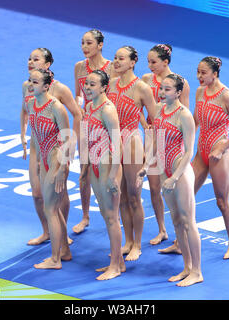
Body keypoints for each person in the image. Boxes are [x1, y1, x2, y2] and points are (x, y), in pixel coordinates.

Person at [160, 57, 229, 259]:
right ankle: (179, 242)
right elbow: (196, 121)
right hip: (201, 151)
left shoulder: (228, 98)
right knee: (185, 196)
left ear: (215, 74)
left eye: (203, 73)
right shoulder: (200, 92)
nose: (199, 77)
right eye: (198, 72)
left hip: (219, 154)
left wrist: (222, 149)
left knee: (221, 202)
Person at [137, 73, 202, 287]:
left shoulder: (184, 115)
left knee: (188, 222)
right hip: (164, 171)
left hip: (180, 172)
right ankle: (186, 267)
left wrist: (174, 177)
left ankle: (197, 271)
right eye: (161, 89)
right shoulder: (158, 110)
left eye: (167, 89)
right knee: (176, 222)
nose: (162, 92)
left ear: (178, 92)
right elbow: (155, 141)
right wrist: (146, 166)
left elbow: (189, 151)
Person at [21, 48, 81, 246]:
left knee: (59, 193)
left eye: (36, 59)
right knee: (37, 194)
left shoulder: (60, 90)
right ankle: (47, 232)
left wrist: (72, 143)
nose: (30, 62)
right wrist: (23, 133)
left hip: (55, 148)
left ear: (47, 65)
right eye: (29, 59)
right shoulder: (27, 86)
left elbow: (77, 114)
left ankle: (62, 235)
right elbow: (24, 109)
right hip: (36, 146)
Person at [107, 45, 156, 261]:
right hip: (113, 143)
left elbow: (156, 122)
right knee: (121, 197)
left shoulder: (142, 88)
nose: (116, 62)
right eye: (115, 58)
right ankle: (127, 240)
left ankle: (137, 244)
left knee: (135, 196)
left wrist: (150, 154)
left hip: (132, 142)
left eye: (121, 59)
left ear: (133, 62)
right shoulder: (110, 84)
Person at [140, 44, 190, 246]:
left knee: (173, 189)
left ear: (165, 62)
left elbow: (184, 111)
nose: (150, 66)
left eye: (154, 62)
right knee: (154, 188)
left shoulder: (180, 83)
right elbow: (139, 107)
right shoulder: (145, 80)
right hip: (152, 137)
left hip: (171, 140)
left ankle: (180, 237)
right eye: (148, 62)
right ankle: (162, 230)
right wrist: (146, 126)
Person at [82, 70, 125, 280]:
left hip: (108, 165)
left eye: (93, 84)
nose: (88, 88)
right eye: (87, 84)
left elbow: (117, 144)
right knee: (106, 214)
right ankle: (119, 261)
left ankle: (115, 265)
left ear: (104, 87)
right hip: (95, 164)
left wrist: (112, 175)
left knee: (111, 217)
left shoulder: (108, 110)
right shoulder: (90, 107)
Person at [27, 68, 72, 269]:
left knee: (51, 209)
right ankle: (65, 251)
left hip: (56, 161)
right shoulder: (30, 103)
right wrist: (37, 160)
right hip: (44, 160)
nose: (30, 84)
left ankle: (55, 259)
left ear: (46, 86)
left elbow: (67, 140)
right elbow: (35, 134)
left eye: (35, 82)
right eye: (30, 80)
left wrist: (62, 168)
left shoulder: (56, 107)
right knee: (53, 208)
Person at [73, 29, 116, 234]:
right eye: (82, 43)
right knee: (84, 172)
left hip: (105, 123)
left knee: (109, 173)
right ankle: (85, 216)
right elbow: (78, 95)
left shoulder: (111, 68)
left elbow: (114, 96)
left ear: (100, 45)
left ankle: (114, 214)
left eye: (89, 43)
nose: (84, 47)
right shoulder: (79, 67)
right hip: (87, 121)